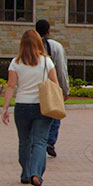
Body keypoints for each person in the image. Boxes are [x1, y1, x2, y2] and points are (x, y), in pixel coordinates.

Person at [2, 30, 59, 186]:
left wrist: (5, 108)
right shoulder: (47, 62)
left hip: (22, 106)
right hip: (43, 106)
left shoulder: (15, 62)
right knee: (40, 142)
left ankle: (26, 173)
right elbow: (55, 83)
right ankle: (36, 174)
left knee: (24, 141)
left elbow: (11, 86)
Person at [35, 19, 69, 158]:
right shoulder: (55, 47)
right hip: (50, 85)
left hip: (33, 87)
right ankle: (49, 142)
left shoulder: (28, 47)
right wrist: (65, 89)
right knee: (54, 114)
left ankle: (36, 142)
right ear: (48, 31)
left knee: (36, 115)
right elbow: (61, 69)